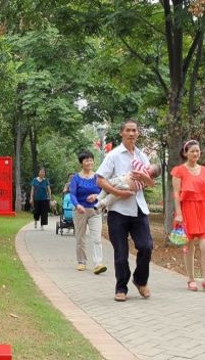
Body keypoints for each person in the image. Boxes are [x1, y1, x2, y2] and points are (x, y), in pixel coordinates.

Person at [96, 119, 155, 301]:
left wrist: (144, 177)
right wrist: (117, 192)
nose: (131, 133)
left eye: (134, 130)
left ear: (138, 134)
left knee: (146, 246)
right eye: (128, 130)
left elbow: (151, 183)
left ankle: (140, 280)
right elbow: (100, 179)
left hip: (138, 208)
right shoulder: (113, 155)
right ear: (122, 133)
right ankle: (121, 288)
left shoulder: (142, 156)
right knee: (121, 253)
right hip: (118, 210)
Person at [171, 139, 205, 294]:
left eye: (197, 151)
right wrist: (178, 214)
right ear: (186, 153)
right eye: (192, 151)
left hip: (203, 209)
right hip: (187, 210)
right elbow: (176, 194)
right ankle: (191, 279)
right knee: (189, 247)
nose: (195, 153)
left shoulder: (204, 170)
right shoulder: (179, 170)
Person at [69, 151, 107, 275]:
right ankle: (81, 262)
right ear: (81, 163)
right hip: (80, 211)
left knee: (96, 238)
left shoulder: (98, 177)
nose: (89, 162)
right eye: (86, 160)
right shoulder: (76, 178)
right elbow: (72, 194)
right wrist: (77, 205)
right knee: (80, 237)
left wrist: (96, 196)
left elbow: (104, 192)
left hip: (95, 210)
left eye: (91, 160)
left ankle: (98, 264)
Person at [96, 163, 161, 212]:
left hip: (125, 185)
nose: (147, 168)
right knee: (112, 194)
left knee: (110, 187)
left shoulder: (142, 167)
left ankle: (100, 201)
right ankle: (101, 203)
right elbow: (100, 181)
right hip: (125, 185)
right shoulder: (147, 178)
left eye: (149, 168)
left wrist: (143, 176)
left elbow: (134, 162)